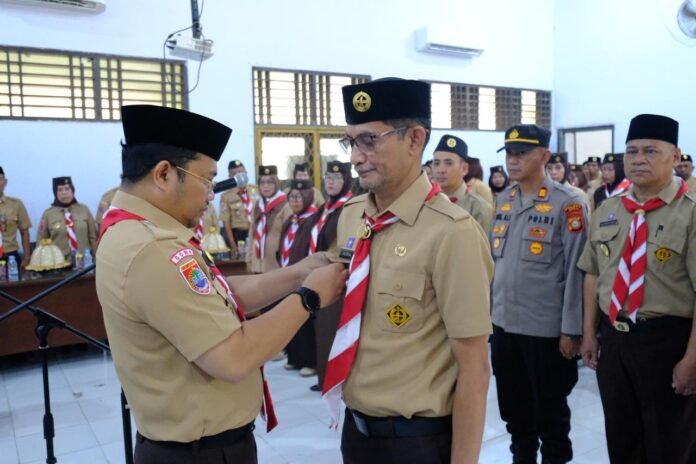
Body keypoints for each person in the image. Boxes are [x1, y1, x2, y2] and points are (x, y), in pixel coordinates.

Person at [95, 104, 347, 464]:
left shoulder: (141, 231)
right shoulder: (152, 248)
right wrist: (308, 297)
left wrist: (297, 273)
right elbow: (233, 357)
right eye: (206, 180)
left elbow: (223, 295)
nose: (210, 195)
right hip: (199, 453)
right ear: (164, 174)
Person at [324, 78, 493, 464]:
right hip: (356, 433)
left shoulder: (453, 233)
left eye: (370, 141)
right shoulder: (352, 216)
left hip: (416, 442)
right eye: (351, 143)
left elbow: (475, 369)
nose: (356, 157)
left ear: (415, 139)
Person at [578, 114, 696, 464]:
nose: (638, 159)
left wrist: (692, 359)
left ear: (675, 157)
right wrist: (589, 333)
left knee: (670, 444)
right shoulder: (609, 209)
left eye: (650, 151)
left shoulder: (690, 213)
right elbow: (593, 273)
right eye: (631, 152)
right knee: (621, 436)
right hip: (614, 339)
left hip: (668, 341)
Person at [490, 124, 587, 464]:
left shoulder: (568, 204)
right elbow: (495, 265)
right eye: (509, 154)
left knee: (551, 414)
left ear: (544, 155)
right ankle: (523, 457)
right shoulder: (504, 200)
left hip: (545, 330)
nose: (512, 161)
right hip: (504, 325)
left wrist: (572, 329)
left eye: (521, 153)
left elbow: (577, 269)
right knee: (514, 410)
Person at [311, 160, 353, 392]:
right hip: (322, 274)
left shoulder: (349, 208)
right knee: (323, 328)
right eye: (328, 178)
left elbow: (346, 245)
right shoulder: (326, 208)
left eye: (337, 178)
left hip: (338, 276)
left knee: (331, 328)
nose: (331, 182)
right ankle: (324, 378)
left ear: (346, 181)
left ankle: (333, 380)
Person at [277, 179, 319, 377]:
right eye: (291, 196)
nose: (294, 200)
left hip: (305, 277)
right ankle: (294, 358)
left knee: (306, 318)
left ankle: (309, 361)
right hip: (288, 276)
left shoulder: (313, 220)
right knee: (291, 317)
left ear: (308, 197)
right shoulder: (290, 221)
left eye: (299, 197)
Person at [432, 134, 493, 232]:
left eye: (449, 163)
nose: (441, 170)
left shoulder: (479, 208)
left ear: (464, 168)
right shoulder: (426, 202)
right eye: (436, 163)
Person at [37, 176, 97, 261]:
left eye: (67, 189)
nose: (64, 193)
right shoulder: (48, 214)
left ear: (72, 190)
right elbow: (42, 241)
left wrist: (96, 259)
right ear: (55, 193)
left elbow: (93, 237)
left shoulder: (84, 210)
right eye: (60, 190)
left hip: (85, 262)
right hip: (59, 263)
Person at [246, 165, 292, 274]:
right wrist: (249, 259)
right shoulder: (257, 205)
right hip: (257, 264)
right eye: (262, 183)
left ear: (277, 184)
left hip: (276, 264)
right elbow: (252, 233)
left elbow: (289, 236)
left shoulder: (286, 204)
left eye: (270, 183)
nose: (265, 186)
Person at [219, 160, 256, 255]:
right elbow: (226, 223)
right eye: (235, 174)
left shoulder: (257, 190)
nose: (239, 176)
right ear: (230, 177)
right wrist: (233, 245)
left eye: (241, 172)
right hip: (240, 235)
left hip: (257, 232)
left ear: (246, 172)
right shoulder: (226, 197)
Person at [0, 166, 32, 269]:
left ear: (5, 182)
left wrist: (27, 258)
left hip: (10, 257)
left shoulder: (16, 204)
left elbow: (25, 232)